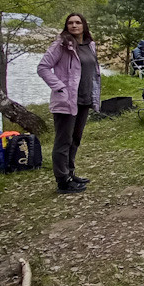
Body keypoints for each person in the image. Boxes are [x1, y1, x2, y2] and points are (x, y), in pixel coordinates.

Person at [37, 13, 100, 194]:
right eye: (70, 23)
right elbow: (43, 67)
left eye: (78, 22)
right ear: (66, 26)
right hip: (66, 100)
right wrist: (60, 87)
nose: (74, 25)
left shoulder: (89, 45)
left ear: (84, 25)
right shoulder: (61, 45)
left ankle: (70, 173)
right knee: (63, 140)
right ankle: (62, 180)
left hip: (84, 98)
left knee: (75, 139)